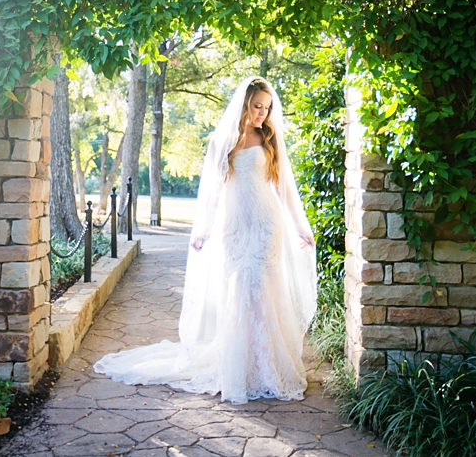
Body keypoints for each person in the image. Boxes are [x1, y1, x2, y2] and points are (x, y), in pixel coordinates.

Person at [93, 77, 317, 405]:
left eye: (267, 108)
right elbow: (212, 192)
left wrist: (300, 227)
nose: (262, 114)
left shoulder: (270, 138)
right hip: (234, 227)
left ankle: (266, 366)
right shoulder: (221, 141)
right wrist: (205, 230)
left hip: (267, 225)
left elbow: (282, 189)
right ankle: (240, 367)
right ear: (244, 104)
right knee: (240, 291)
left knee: (262, 291)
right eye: (257, 106)